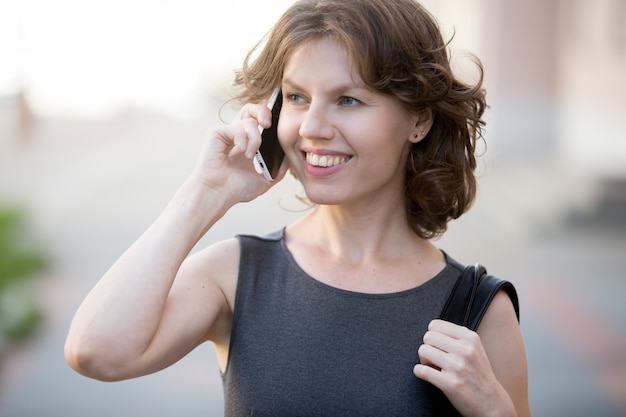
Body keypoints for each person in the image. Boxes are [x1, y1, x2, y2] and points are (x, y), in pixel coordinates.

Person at [64, 0, 530, 415]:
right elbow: (95, 351)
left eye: (347, 100)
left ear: (419, 119)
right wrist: (206, 193)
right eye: (296, 97)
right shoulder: (238, 274)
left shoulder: (479, 310)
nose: (312, 127)